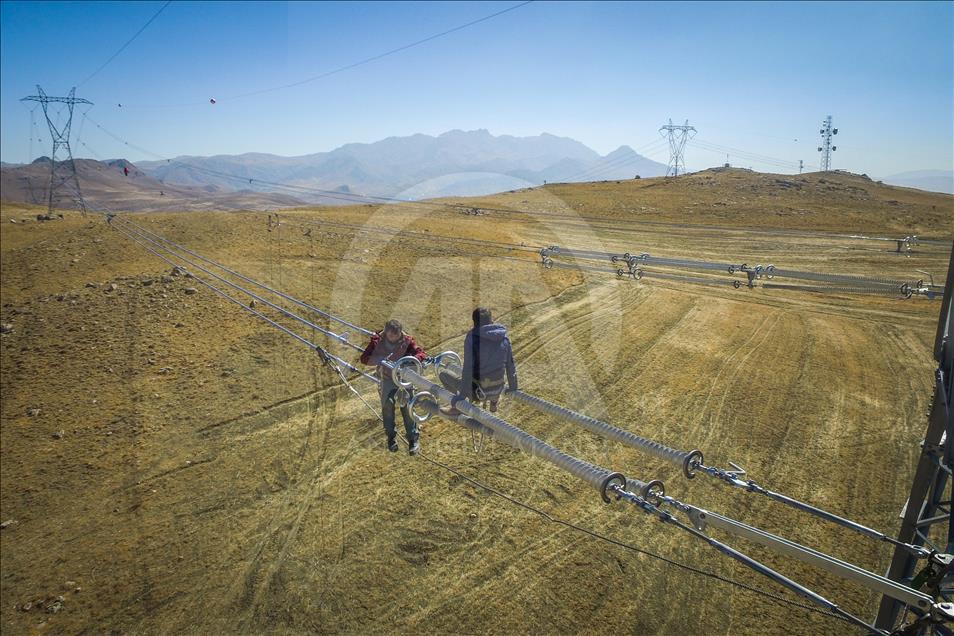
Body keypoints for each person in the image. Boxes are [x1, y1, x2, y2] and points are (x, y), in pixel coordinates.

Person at [360, 319, 426, 455]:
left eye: (396, 336)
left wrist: (411, 360)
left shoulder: (407, 340)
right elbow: (364, 358)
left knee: (407, 406)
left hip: (403, 379)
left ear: (400, 333)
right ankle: (391, 438)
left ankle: (413, 440)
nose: (394, 339)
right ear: (386, 333)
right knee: (387, 407)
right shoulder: (377, 342)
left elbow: (421, 353)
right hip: (387, 379)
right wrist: (380, 360)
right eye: (391, 336)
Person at [457, 308, 517, 413]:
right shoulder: (504, 338)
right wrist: (513, 387)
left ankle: (459, 409)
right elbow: (510, 366)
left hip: (478, 392)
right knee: (494, 371)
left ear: (474, 322)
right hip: (498, 389)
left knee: (444, 375)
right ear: (491, 320)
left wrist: (462, 395)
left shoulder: (471, 338)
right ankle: (494, 402)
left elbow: (467, 368)